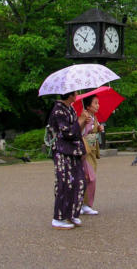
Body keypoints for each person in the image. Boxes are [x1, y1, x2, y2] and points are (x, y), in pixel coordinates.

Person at [48, 91, 91, 230]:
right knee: (65, 182)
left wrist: (84, 122)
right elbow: (68, 133)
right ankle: (58, 217)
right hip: (62, 151)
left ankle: (72, 213)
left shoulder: (70, 108)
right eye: (75, 92)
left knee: (80, 182)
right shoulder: (58, 110)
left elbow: (77, 131)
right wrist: (80, 120)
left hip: (74, 151)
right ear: (70, 94)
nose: (77, 93)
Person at [80, 95, 104, 216]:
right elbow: (79, 133)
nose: (98, 105)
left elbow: (96, 130)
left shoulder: (94, 117)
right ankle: (84, 204)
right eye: (95, 103)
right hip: (85, 151)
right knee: (90, 177)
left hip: (93, 150)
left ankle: (85, 204)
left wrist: (99, 128)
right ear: (88, 106)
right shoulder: (84, 117)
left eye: (98, 103)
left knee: (89, 177)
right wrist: (84, 123)